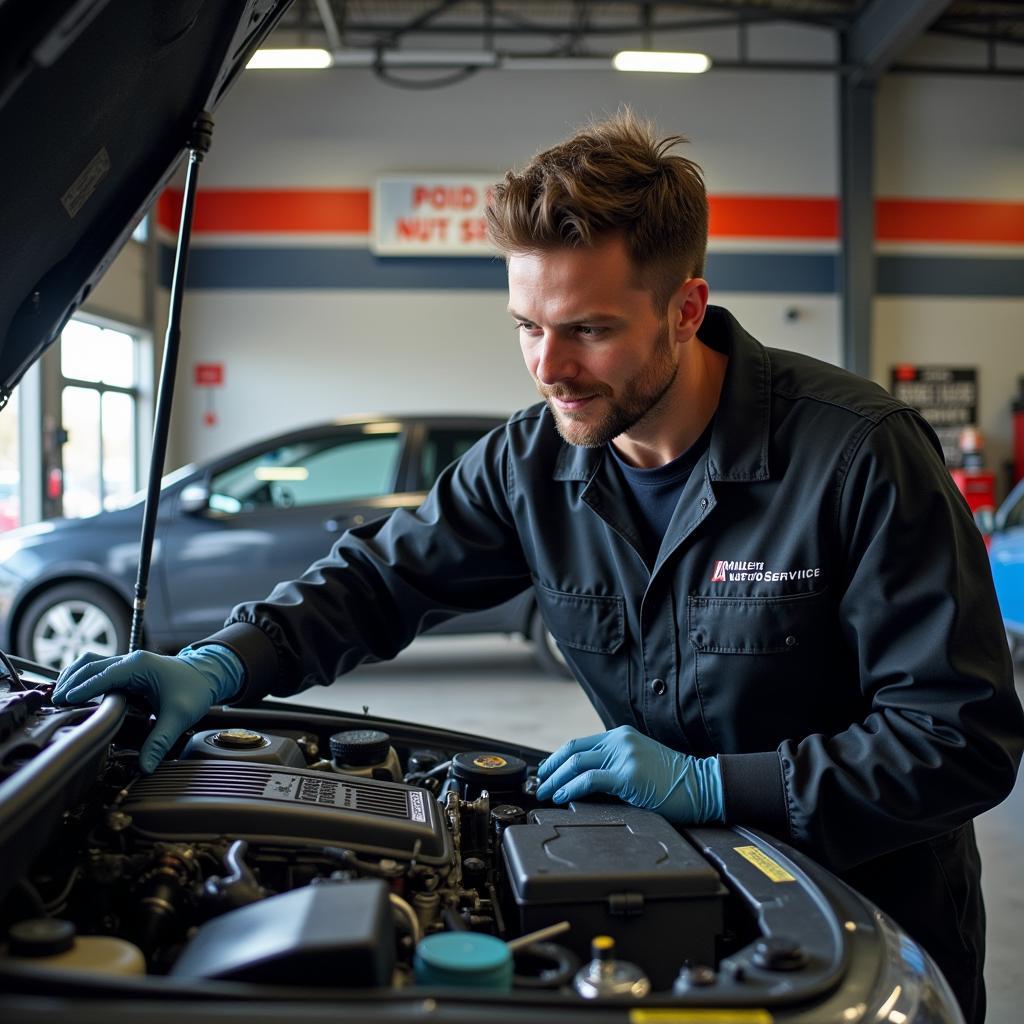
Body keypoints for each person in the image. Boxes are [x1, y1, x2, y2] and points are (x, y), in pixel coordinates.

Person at [54, 110, 1022, 1022]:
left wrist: (721, 786)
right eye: (526, 325)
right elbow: (375, 581)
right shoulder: (529, 463)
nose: (547, 365)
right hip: (666, 897)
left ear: (685, 309)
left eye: (588, 329)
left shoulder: (856, 456)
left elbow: (959, 738)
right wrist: (223, 661)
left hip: (866, 935)